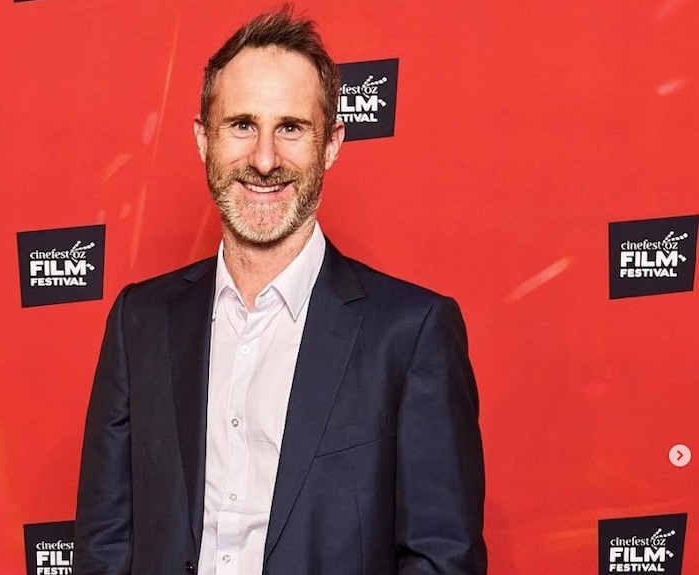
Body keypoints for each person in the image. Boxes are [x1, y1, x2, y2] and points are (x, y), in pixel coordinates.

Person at [74, 6, 486, 575]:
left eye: (290, 128)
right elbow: (103, 547)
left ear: (332, 144)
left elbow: (443, 560)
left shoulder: (411, 334)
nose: (264, 159)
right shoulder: (138, 322)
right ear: (203, 140)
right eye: (242, 124)